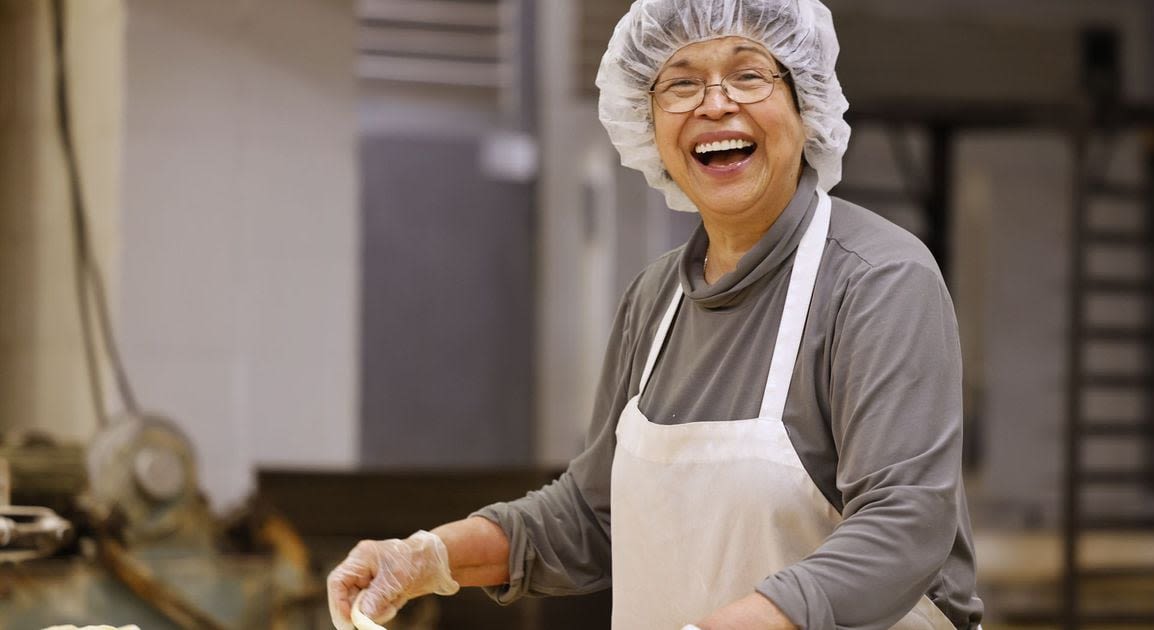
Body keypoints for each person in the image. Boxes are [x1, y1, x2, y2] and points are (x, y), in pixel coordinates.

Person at [328, 0, 985, 628]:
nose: (716, 103)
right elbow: (590, 519)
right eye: (681, 83)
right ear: (647, 122)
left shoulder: (877, 282)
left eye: (749, 74)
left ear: (804, 102)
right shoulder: (655, 302)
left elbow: (902, 527)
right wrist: (424, 558)